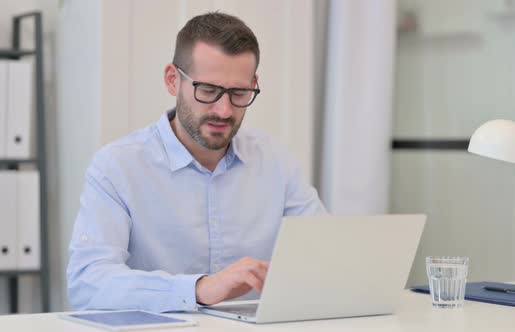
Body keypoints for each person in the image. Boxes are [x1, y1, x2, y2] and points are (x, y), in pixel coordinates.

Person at [67, 12, 325, 313]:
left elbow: (325, 255)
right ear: (172, 80)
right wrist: (199, 289)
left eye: (239, 93)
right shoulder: (117, 166)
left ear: (253, 84)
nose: (224, 110)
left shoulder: (276, 163)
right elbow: (87, 283)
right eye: (208, 90)